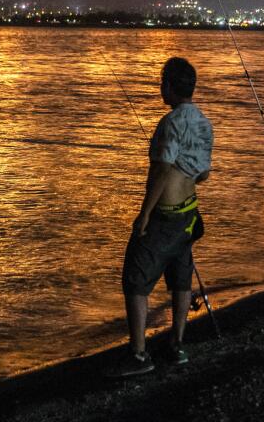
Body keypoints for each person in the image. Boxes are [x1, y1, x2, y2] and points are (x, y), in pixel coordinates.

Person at [107, 56, 213, 377]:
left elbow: (162, 170)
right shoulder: (204, 123)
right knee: (180, 278)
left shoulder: (170, 123)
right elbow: (203, 174)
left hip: (166, 215)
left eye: (162, 81)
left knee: (135, 279)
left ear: (169, 86)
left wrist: (144, 215)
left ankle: (139, 355)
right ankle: (177, 344)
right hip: (189, 213)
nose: (160, 86)